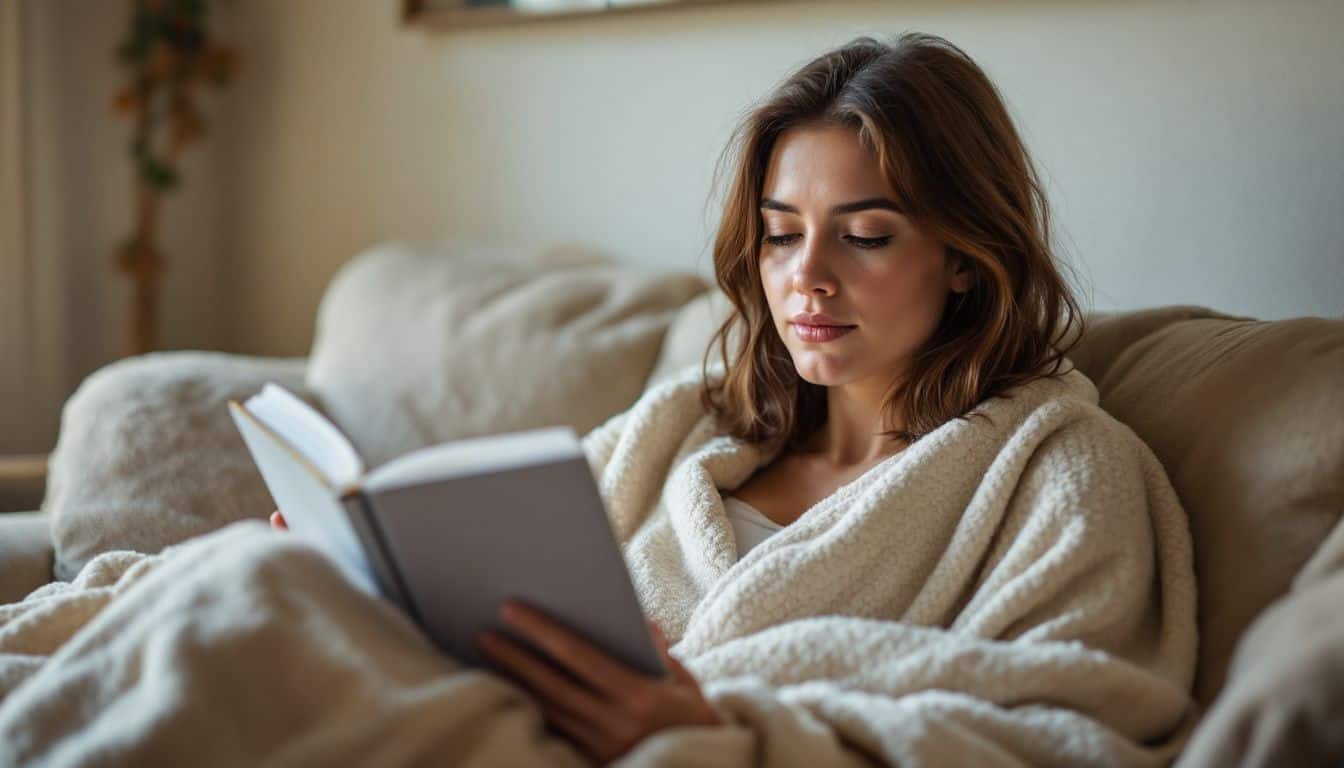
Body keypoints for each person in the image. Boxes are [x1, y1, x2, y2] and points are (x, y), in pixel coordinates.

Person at [269, 32, 1197, 766]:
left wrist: (726, 734)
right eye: (782, 236)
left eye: (865, 236)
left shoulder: (1060, 470)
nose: (809, 280)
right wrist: (365, 576)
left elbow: (1072, 733)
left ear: (963, 256)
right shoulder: (686, 425)